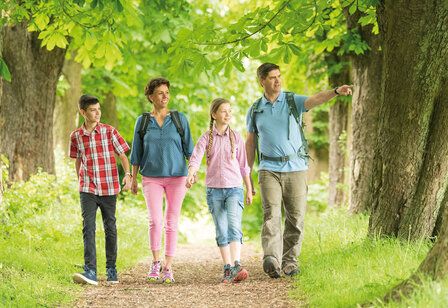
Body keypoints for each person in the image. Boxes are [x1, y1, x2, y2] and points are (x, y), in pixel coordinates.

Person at [246, 63, 352, 278]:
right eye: (272, 77)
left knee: (295, 218)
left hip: (296, 168)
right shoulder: (256, 109)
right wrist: (247, 171)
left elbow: (316, 99)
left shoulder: (293, 101)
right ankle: (272, 260)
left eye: (279, 76)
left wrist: (335, 92)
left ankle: (290, 262)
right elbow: (250, 142)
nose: (277, 80)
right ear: (262, 81)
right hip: (268, 169)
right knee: (271, 214)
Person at [130, 77, 194, 283]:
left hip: (177, 177)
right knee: (155, 221)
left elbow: (190, 150)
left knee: (171, 222)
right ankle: (155, 263)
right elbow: (136, 153)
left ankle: (168, 266)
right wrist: (132, 178)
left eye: (167, 92)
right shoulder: (143, 121)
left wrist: (192, 172)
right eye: (160, 93)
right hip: (151, 177)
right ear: (151, 97)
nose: (165, 96)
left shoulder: (178, 119)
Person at [186, 98, 253, 283]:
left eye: (229, 111)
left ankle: (237, 263)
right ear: (214, 114)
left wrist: (249, 188)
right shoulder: (206, 138)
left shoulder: (236, 137)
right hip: (214, 190)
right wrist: (191, 174)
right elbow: (195, 158)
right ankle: (228, 267)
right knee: (221, 230)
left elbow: (243, 165)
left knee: (234, 226)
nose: (227, 114)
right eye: (223, 111)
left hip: (234, 189)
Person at [70, 94, 132, 285]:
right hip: (87, 187)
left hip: (109, 186)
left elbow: (122, 155)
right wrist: (79, 179)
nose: (97, 113)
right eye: (92, 110)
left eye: (98, 109)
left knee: (109, 227)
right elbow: (78, 160)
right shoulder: (76, 136)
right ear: (83, 112)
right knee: (88, 227)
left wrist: (128, 176)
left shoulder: (109, 131)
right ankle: (90, 271)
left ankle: (111, 269)